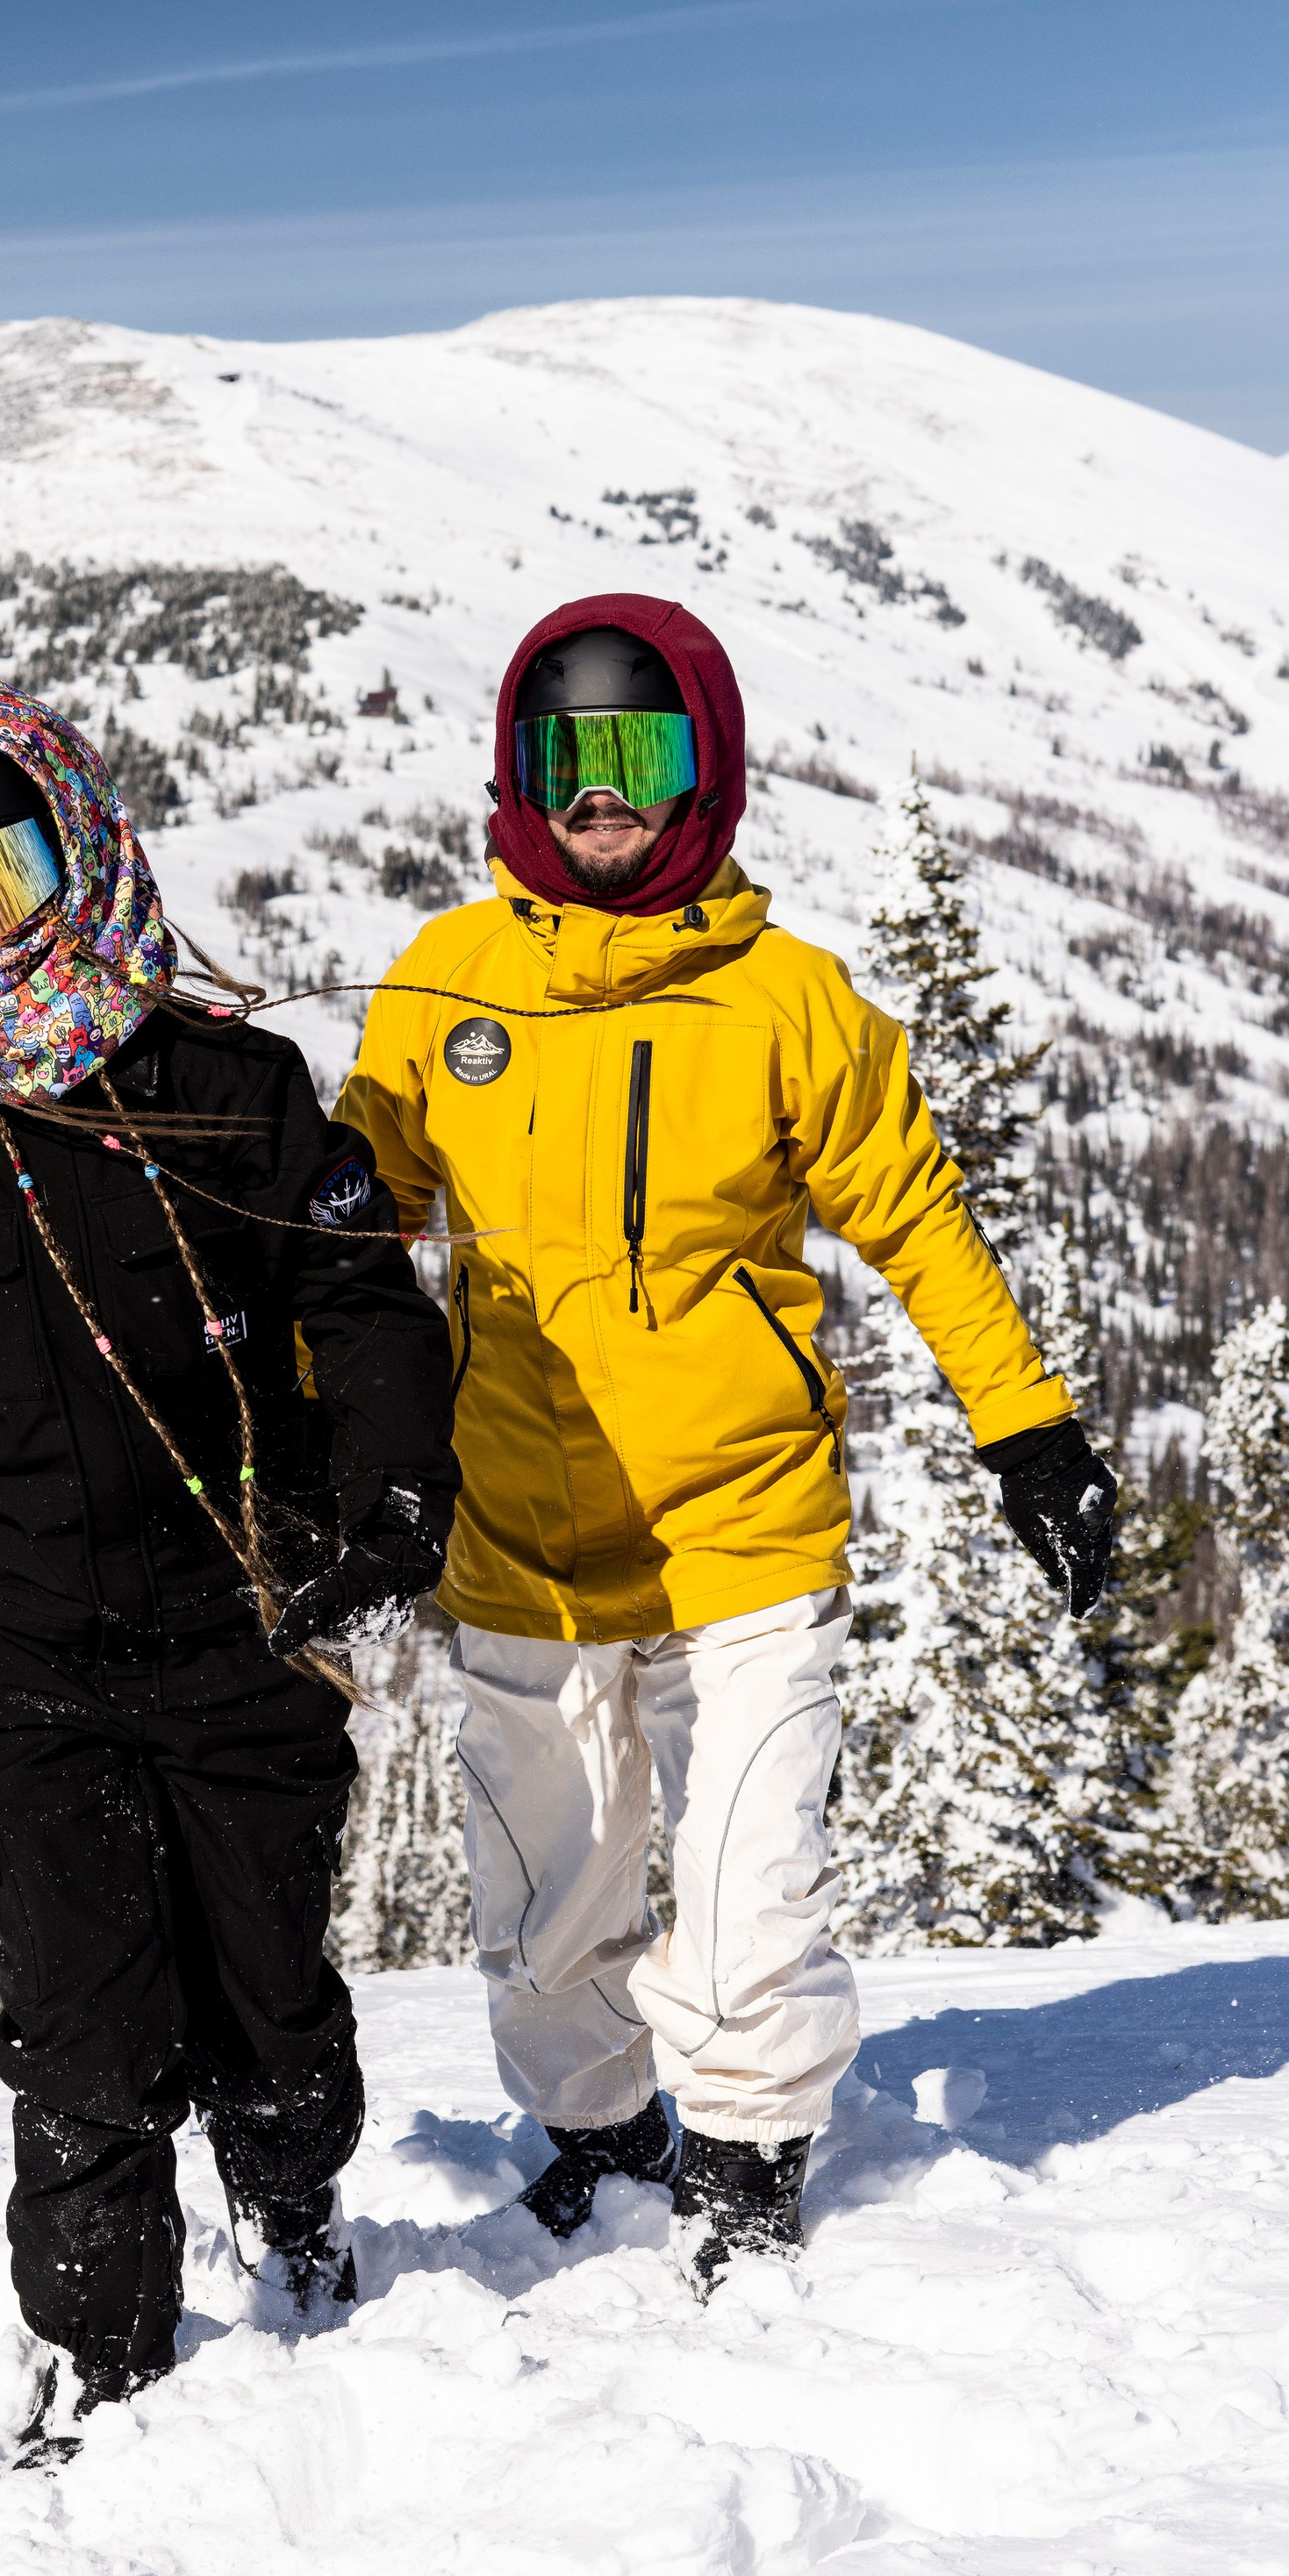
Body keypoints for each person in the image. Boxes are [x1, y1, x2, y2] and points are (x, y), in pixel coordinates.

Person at [334, 593, 1117, 2285]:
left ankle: (749, 2164)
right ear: (516, 773)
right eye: (569, 758)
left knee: (751, 1882)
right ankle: (603, 2141)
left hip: (740, 1530)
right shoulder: (446, 983)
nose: (600, 797)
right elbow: (353, 1236)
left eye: (639, 754)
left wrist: (1029, 1428)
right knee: (546, 1918)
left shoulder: (788, 1001)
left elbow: (919, 1224)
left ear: (706, 771)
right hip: (520, 1540)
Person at [0, 669, 456, 2457]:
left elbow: (357, 1310)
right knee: (84, 2026)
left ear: (79, 844)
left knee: (271, 2003)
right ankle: (101, 2350)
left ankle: (293, 2205)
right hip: (11, 1644)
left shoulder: (229, 1083)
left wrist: (392, 1510)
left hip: (240, 1621)